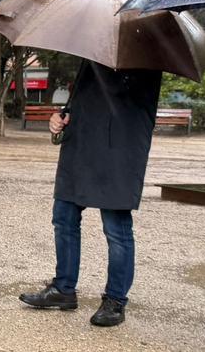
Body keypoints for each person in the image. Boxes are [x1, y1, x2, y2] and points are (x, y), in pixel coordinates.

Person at [19, 62, 162, 327]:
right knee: (63, 217)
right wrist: (62, 115)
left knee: (116, 228)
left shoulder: (144, 57)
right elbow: (81, 100)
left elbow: (132, 109)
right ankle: (64, 288)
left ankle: (115, 300)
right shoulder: (91, 53)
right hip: (80, 145)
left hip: (119, 149)